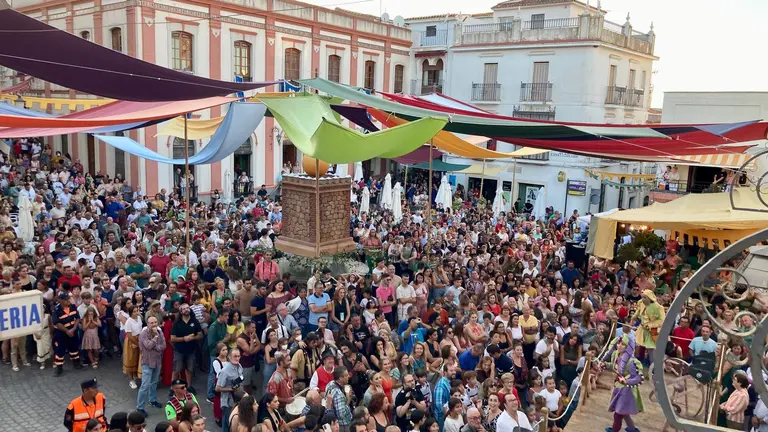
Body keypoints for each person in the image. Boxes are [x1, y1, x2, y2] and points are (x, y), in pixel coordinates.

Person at [606, 336, 643, 432]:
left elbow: (638, 378)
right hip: (618, 387)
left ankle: (615, 430)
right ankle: (632, 429)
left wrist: (626, 381)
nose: (619, 346)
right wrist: (605, 364)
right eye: (618, 343)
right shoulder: (616, 354)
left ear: (628, 346)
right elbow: (614, 367)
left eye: (623, 344)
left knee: (618, 414)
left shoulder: (631, 361)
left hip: (627, 390)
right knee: (624, 413)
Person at [136, 316, 166, 416]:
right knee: (144, 386)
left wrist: (155, 346)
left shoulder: (160, 332)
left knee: (154, 383)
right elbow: (148, 346)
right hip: (147, 363)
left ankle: (152, 400)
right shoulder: (143, 334)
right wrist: (155, 337)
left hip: (157, 362)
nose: (154, 324)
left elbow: (163, 346)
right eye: (151, 323)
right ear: (147, 324)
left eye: (155, 322)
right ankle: (140, 408)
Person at [631, 290, 665, 368]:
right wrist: (634, 317)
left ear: (649, 298)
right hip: (642, 329)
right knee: (638, 345)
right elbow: (638, 312)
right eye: (642, 297)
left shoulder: (658, 307)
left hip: (653, 330)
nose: (643, 299)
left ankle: (654, 367)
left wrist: (650, 325)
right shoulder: (641, 303)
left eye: (645, 297)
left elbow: (661, 321)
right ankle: (638, 363)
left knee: (651, 349)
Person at [52, 292, 83, 376]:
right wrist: (67, 331)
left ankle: (76, 363)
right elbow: (57, 323)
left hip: (73, 331)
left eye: (68, 299)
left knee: (74, 347)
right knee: (60, 350)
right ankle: (59, 368)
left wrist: (74, 328)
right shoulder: (56, 310)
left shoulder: (73, 307)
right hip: (61, 333)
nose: (68, 301)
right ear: (60, 300)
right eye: (66, 300)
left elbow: (77, 318)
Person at [216, 347, 245, 432]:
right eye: (235, 356)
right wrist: (231, 388)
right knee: (227, 424)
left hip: (238, 399)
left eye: (238, 356)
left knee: (236, 422)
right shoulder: (225, 371)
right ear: (229, 357)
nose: (237, 358)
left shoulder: (239, 366)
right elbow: (217, 388)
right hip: (228, 402)